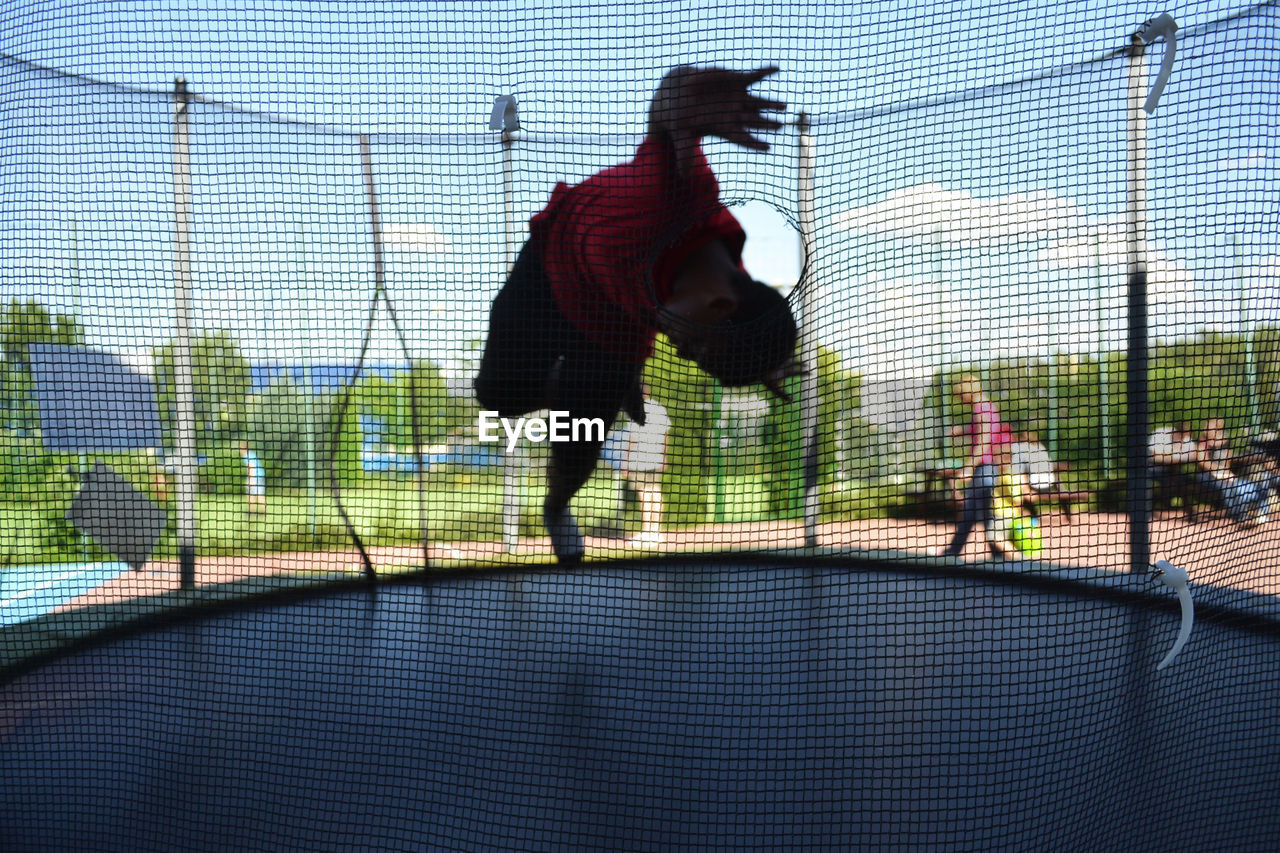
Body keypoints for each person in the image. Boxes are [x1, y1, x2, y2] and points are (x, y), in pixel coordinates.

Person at [475, 65, 801, 564]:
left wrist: (762, 362)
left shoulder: (711, 306)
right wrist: (683, 100)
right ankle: (568, 384)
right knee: (496, 398)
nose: (679, 348)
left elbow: (744, 331)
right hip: (549, 271)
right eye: (694, 345)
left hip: (613, 326)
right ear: (720, 304)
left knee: (580, 436)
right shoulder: (685, 194)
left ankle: (557, 505)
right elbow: (665, 114)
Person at [938, 375, 1007, 559]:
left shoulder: (982, 408)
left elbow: (984, 440)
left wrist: (969, 466)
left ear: (968, 392)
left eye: (961, 395)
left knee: (985, 514)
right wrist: (960, 431)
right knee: (971, 511)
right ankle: (953, 551)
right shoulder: (984, 407)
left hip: (985, 468)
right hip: (984, 468)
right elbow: (981, 432)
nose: (961, 400)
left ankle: (1001, 554)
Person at [623, 389, 671, 546]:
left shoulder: (637, 409)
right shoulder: (659, 408)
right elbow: (666, 434)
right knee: (655, 491)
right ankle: (655, 531)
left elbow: (633, 438)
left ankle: (648, 532)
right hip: (655, 457)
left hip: (640, 458)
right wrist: (664, 455)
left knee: (644, 493)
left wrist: (626, 459)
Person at [1149, 422, 1199, 518]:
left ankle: (1189, 511)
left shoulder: (1185, 439)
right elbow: (1155, 456)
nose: (1183, 440)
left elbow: (1193, 454)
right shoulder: (1161, 434)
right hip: (1154, 469)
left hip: (1173, 471)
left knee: (1182, 482)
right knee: (1173, 483)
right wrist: (1172, 454)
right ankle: (1153, 507)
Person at [240, 440, 266, 515]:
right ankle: (262, 513)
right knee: (259, 494)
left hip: (255, 477)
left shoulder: (247, 456)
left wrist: (251, 480)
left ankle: (252, 513)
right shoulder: (252, 454)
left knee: (251, 495)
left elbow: (251, 467)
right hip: (260, 476)